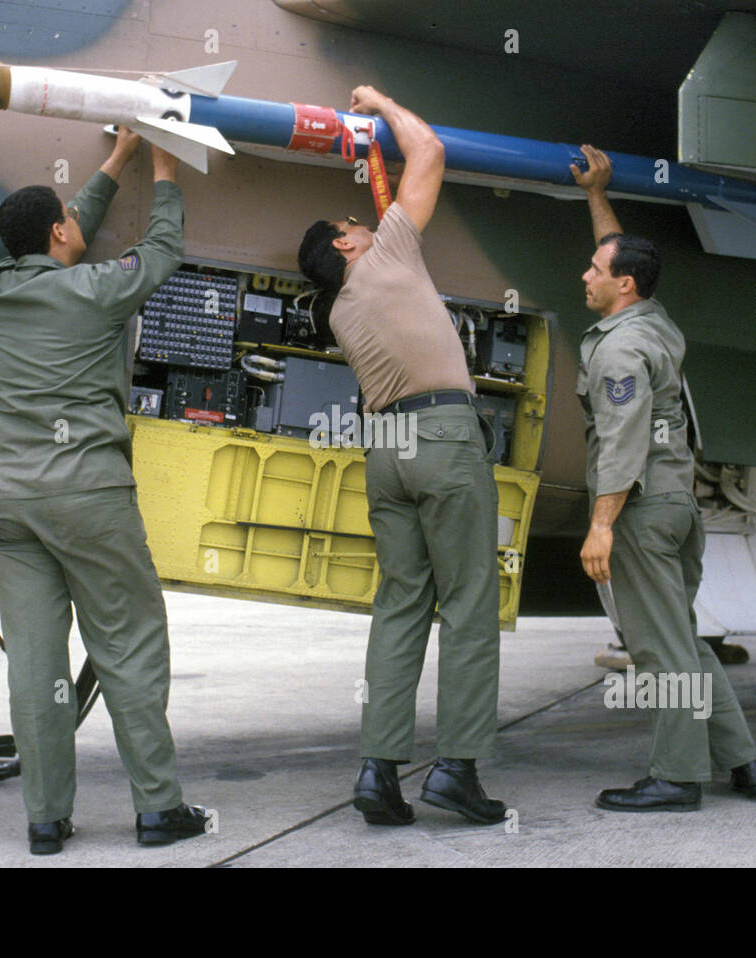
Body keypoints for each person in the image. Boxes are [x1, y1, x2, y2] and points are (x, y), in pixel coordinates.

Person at [0, 128, 208, 853]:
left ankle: (45, 820)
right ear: (58, 232)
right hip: (86, 498)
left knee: (34, 666)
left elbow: (55, 231)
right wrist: (164, 169)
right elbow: (162, 253)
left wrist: (115, 159)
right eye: (68, 221)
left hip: (7, 506)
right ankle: (158, 810)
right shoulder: (95, 292)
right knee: (129, 645)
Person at [297, 86, 507, 826]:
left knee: (400, 606)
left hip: (384, 452)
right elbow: (431, 151)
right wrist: (378, 99)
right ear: (348, 245)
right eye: (352, 222)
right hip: (444, 439)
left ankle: (378, 772)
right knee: (472, 605)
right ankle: (455, 769)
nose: (364, 221)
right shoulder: (386, 254)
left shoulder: (338, 312)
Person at [570, 144, 756, 811]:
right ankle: (743, 762)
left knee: (659, 652)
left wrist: (601, 526)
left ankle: (678, 777)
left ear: (622, 286)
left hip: (641, 512)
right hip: (677, 506)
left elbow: (623, 441)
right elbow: (617, 253)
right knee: (683, 638)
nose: (585, 275)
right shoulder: (653, 321)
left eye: (595, 271)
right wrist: (598, 195)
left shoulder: (621, 348)